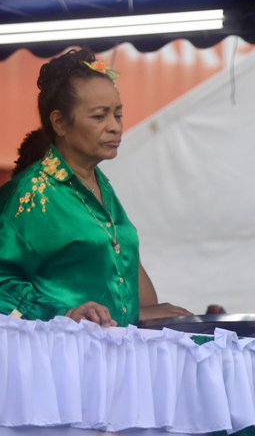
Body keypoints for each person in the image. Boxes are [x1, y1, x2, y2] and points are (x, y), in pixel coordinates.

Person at [0, 47, 190, 327]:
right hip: (63, 359)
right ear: (60, 123)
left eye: (118, 114)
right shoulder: (31, 195)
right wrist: (64, 314)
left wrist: (137, 315)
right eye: (100, 116)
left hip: (112, 355)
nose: (115, 126)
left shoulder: (99, 185)